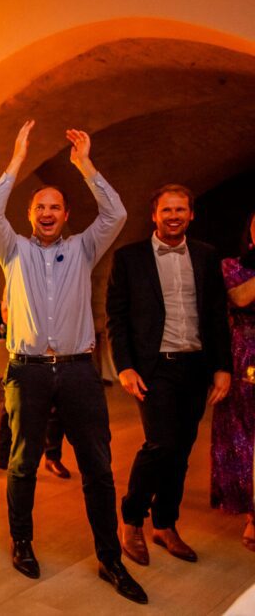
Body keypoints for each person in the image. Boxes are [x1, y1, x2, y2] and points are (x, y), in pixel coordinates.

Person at [0, 121, 145, 604]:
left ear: (66, 214)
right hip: (27, 370)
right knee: (22, 463)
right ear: (30, 214)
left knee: (97, 466)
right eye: (40, 206)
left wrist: (85, 165)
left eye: (55, 206)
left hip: (77, 370)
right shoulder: (12, 249)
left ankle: (110, 558)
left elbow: (116, 212)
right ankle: (23, 543)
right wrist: (16, 160)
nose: (47, 212)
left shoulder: (83, 248)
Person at [106, 184, 232, 566]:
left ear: (191, 214)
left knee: (180, 451)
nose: (173, 216)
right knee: (159, 443)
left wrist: (222, 367)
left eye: (180, 210)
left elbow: (215, 315)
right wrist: (124, 366)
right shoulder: (129, 258)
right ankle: (131, 518)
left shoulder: (208, 256)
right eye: (166, 210)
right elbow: (117, 317)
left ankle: (165, 524)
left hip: (195, 365)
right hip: (153, 367)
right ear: (154, 215)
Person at [0, 292, 72, 479]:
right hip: (23, 351)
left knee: (54, 410)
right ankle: (1, 455)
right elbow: (6, 313)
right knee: (9, 408)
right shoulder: (16, 275)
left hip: (54, 350)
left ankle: (52, 457)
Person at [212, 211, 255, 550]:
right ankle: (253, 515)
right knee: (246, 436)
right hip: (246, 359)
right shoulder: (232, 265)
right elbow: (241, 298)